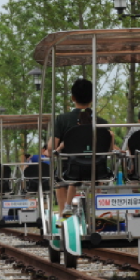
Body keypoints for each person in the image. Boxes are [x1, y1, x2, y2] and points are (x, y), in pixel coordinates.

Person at [47, 78, 114, 216]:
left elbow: (51, 147)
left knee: (59, 176)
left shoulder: (62, 119)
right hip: (97, 169)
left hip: (71, 170)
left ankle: (63, 214)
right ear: (92, 99)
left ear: (73, 98)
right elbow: (109, 148)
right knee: (97, 169)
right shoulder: (101, 122)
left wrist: (55, 151)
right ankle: (97, 209)